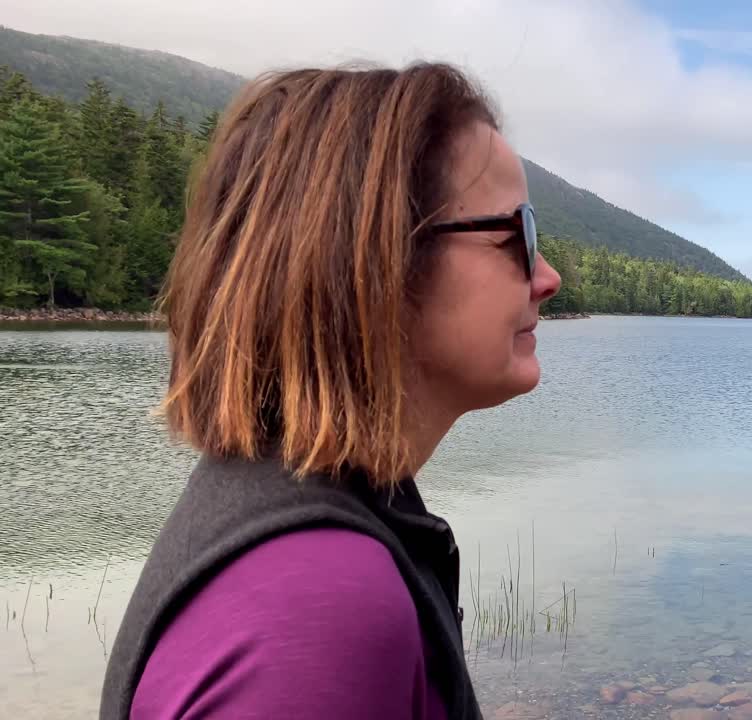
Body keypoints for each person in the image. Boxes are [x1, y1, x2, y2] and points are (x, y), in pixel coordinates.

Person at [100, 63, 562, 720]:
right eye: (518, 233)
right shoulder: (318, 607)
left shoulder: (314, 512)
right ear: (379, 259)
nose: (548, 276)